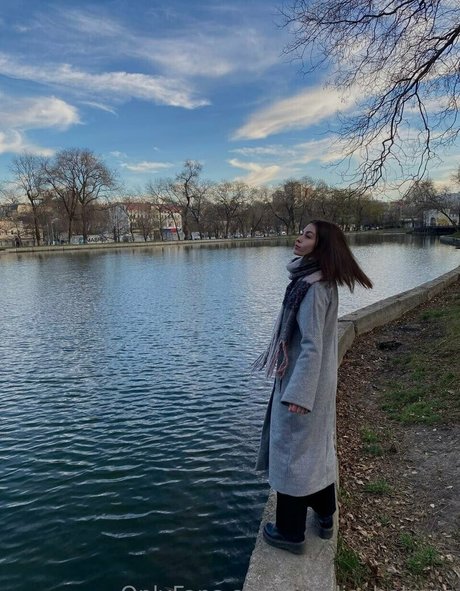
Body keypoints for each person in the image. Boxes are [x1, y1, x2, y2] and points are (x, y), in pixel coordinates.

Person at [253, 220, 373, 554]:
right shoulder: (317, 281)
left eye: (308, 236)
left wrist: (299, 395)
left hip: (303, 386)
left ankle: (290, 532)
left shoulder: (313, 288)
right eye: (301, 233)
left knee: (291, 453)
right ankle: (325, 515)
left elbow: (311, 346)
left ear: (321, 247)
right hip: (316, 383)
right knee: (315, 450)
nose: (299, 239)